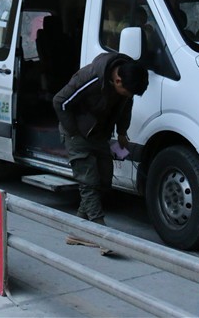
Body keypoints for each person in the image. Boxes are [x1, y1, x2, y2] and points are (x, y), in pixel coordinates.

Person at [52, 52, 149, 254]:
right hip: (77, 134)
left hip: (99, 135)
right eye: (127, 92)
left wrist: (121, 132)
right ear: (118, 80)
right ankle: (101, 234)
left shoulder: (127, 83)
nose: (128, 96)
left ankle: (77, 230)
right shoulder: (90, 78)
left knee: (104, 180)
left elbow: (125, 107)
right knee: (88, 183)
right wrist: (74, 132)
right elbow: (60, 101)